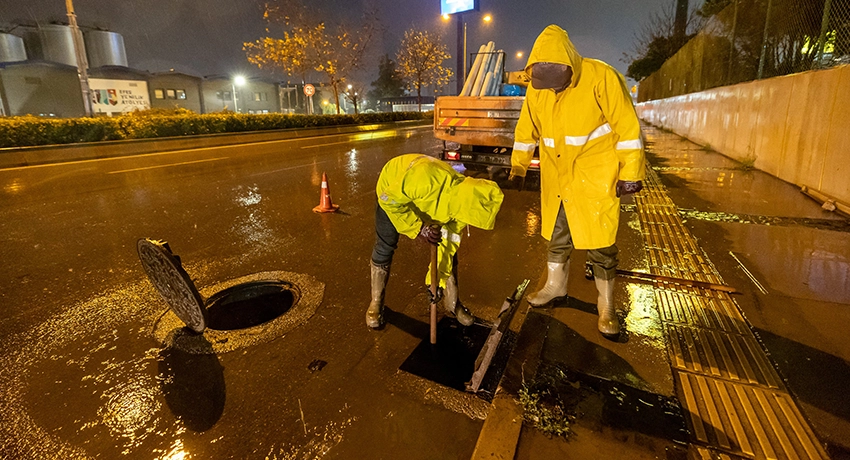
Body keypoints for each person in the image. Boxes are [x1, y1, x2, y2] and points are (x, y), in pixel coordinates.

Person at [510, 25, 645, 338]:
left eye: (560, 86)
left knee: (600, 242)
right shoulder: (536, 90)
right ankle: (555, 286)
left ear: (570, 67)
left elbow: (627, 127)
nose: (554, 92)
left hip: (596, 175)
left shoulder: (602, 78)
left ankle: (607, 305)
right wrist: (517, 166)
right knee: (557, 236)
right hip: (558, 177)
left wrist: (631, 173)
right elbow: (525, 130)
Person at [366, 154, 504, 329]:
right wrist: (419, 228)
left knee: (449, 253)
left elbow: (447, 246)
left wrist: (435, 282)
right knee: (385, 245)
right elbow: (389, 200)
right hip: (393, 194)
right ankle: (376, 302)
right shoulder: (425, 179)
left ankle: (452, 304)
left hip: (423, 199)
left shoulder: (462, 205)